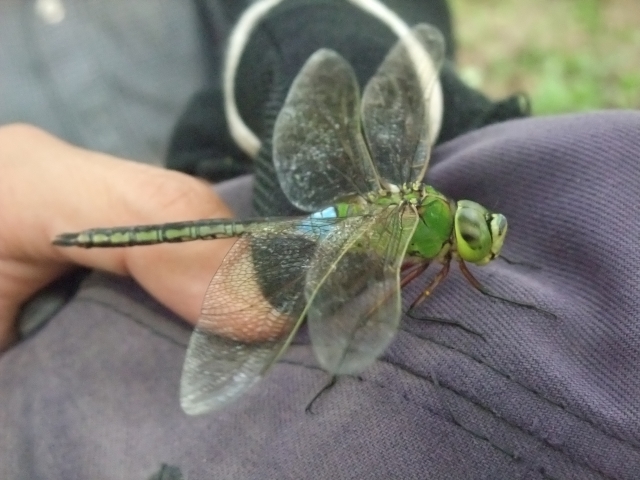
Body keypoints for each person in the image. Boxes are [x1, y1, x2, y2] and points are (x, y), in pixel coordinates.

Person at [2, 1, 639, 479]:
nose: (482, 235)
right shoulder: (421, 236)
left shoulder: (421, 214)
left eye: (481, 227)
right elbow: (392, 304)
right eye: (479, 230)